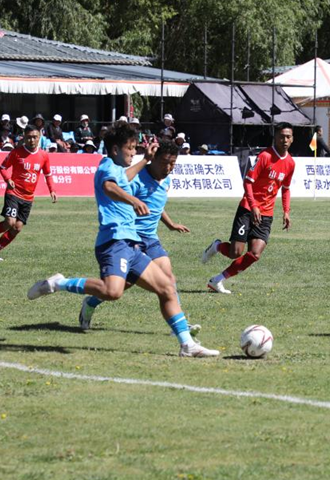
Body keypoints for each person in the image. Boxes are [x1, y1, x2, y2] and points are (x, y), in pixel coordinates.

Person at [26, 126, 217, 358]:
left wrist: (145, 160)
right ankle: (59, 283)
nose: (133, 152)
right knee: (113, 291)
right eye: (130, 148)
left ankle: (187, 345)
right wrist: (133, 200)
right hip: (114, 240)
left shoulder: (119, 170)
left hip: (132, 243)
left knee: (167, 287)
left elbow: (123, 180)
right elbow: (109, 187)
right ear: (116, 149)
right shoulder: (106, 165)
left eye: (135, 148)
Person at [79, 139, 195, 331]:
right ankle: (91, 302)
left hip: (151, 239)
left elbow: (156, 205)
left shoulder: (166, 180)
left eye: (172, 163)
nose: (168, 168)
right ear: (153, 159)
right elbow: (119, 195)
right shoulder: (136, 179)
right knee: (121, 286)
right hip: (131, 238)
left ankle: (182, 324)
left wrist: (170, 224)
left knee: (168, 277)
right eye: (164, 162)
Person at [201, 122, 295, 294]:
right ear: (275, 137)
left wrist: (286, 211)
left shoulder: (290, 163)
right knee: (235, 252)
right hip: (247, 209)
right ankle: (217, 246)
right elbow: (248, 182)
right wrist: (253, 206)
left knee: (255, 254)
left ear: (292, 139)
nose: (285, 140)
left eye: (288, 137)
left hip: (266, 214)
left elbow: (286, 188)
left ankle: (217, 280)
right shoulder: (265, 156)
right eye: (281, 136)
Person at [0, 126, 57, 261]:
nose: (32, 140)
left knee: (17, 227)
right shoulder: (16, 153)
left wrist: (52, 190)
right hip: (13, 193)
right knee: (9, 222)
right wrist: (7, 180)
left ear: (39, 137)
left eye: (35, 137)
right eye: (29, 137)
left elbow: (48, 174)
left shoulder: (44, 155)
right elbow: (3, 168)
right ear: (24, 137)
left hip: (28, 197)